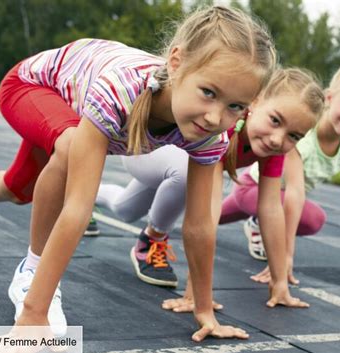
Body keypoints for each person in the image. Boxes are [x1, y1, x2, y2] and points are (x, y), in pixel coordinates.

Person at [0, 6, 277, 342]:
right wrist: (34, 313)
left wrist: (203, 308)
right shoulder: (121, 91)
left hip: (70, 114)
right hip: (31, 87)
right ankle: (30, 273)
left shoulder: (211, 135)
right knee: (70, 148)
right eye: (209, 92)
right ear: (176, 63)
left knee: (18, 190)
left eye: (235, 106)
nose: (215, 116)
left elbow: (200, 224)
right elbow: (78, 208)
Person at [96, 68, 325, 312]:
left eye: (294, 136)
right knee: (187, 177)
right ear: (256, 102)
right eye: (275, 121)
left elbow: (270, 209)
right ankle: (152, 238)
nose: (278, 139)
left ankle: (94, 196)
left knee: (125, 209)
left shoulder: (273, 149)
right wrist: (194, 295)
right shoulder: (223, 128)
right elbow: (207, 213)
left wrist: (280, 283)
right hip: (144, 151)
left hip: (170, 167)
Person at [221, 60, 340, 285]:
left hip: (273, 199)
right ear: (329, 98)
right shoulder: (301, 133)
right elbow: (294, 193)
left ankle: (252, 220)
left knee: (314, 219)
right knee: (207, 216)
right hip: (253, 188)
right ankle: (256, 222)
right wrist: (284, 257)